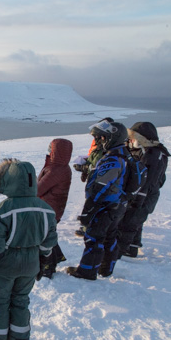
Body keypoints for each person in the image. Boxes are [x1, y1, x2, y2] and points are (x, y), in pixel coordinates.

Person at [0, 159, 57, 340]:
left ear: (9, 181)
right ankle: (20, 339)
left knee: (0, 300)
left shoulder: (1, 211)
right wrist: (44, 261)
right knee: (21, 299)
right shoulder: (46, 209)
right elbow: (49, 242)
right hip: (31, 263)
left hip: (6, 263)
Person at [67, 120, 130, 280]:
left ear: (111, 138)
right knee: (109, 237)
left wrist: (89, 210)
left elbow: (100, 187)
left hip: (105, 205)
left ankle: (87, 271)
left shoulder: (112, 160)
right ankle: (106, 269)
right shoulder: (122, 154)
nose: (98, 141)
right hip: (116, 204)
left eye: (102, 138)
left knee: (94, 238)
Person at [117, 122, 171, 258]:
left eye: (134, 138)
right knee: (134, 221)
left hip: (144, 195)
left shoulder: (153, 155)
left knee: (130, 222)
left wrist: (137, 198)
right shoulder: (142, 151)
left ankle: (122, 250)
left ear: (143, 139)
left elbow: (149, 180)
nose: (131, 140)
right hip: (141, 194)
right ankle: (132, 246)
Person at [36, 138, 73, 278]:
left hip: (48, 210)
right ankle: (55, 259)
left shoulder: (56, 170)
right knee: (47, 235)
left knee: (45, 237)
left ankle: (48, 266)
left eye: (50, 148)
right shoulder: (58, 167)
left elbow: (38, 190)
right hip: (52, 208)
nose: (48, 150)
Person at [73, 117, 114, 237]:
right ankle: (88, 224)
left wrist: (84, 168)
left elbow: (99, 166)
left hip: (99, 181)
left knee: (95, 202)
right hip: (93, 179)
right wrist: (85, 166)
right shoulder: (100, 146)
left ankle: (89, 227)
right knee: (91, 201)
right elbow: (93, 159)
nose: (96, 138)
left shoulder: (108, 149)